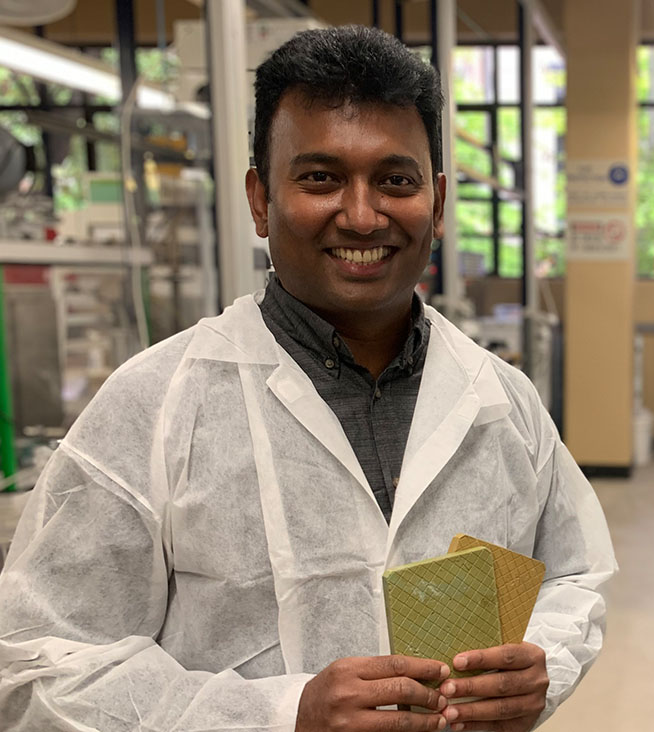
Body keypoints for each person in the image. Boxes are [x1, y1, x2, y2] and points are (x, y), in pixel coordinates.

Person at [0, 26, 615, 732]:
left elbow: (573, 573)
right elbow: (40, 666)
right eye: (321, 177)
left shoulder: (502, 402)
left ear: (438, 204)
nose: (361, 214)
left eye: (396, 180)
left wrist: (541, 663)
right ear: (261, 199)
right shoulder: (154, 407)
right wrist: (280, 714)